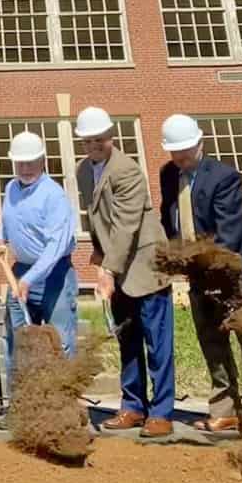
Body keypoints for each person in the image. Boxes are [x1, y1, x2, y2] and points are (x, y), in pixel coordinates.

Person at [157, 113, 242, 436]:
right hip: (198, 272)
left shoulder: (224, 176)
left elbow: (231, 231)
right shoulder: (169, 174)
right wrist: (178, 259)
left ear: (201, 143)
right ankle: (225, 409)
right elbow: (170, 220)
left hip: (234, 271)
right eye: (175, 151)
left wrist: (210, 267)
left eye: (187, 150)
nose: (181, 157)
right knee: (212, 340)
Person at [78, 108, 175, 440]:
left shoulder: (127, 170)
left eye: (99, 140)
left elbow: (125, 225)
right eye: (88, 141)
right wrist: (98, 251)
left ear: (111, 137)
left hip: (145, 266)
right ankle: (133, 406)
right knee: (128, 341)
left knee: (157, 343)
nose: (94, 146)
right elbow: (95, 215)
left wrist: (107, 271)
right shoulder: (83, 171)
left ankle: (161, 413)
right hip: (117, 265)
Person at [0, 130, 79, 429]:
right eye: (20, 163)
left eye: (30, 162)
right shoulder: (12, 190)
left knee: (60, 342)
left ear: (42, 159)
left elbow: (55, 246)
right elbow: (6, 223)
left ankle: (62, 410)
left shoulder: (54, 196)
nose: (25, 168)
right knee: (19, 342)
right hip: (20, 271)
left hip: (54, 275)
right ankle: (21, 407)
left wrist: (30, 279)